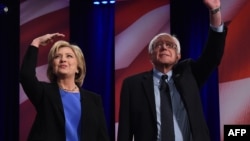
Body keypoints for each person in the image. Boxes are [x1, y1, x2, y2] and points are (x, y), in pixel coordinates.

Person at [117, 0, 227, 141]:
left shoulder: (189, 74)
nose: (164, 47)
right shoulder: (132, 85)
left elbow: (213, 55)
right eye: (158, 45)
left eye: (170, 45)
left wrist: (215, 11)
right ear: (150, 55)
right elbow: (124, 132)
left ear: (178, 56)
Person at [20, 33, 110, 141]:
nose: (63, 59)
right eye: (57, 57)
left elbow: (102, 137)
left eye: (69, 56)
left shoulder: (94, 100)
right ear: (53, 67)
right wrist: (36, 42)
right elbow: (26, 76)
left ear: (78, 68)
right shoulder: (44, 93)